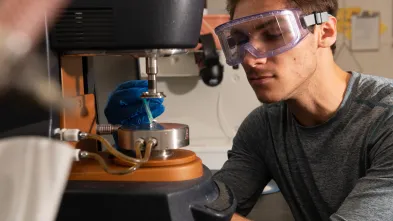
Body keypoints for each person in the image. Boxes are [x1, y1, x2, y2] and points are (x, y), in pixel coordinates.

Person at [104, 0, 393, 220]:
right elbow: (214, 205)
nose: (250, 60)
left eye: (274, 34)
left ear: (325, 32)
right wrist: (143, 156)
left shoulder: (386, 116)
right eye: (239, 41)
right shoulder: (264, 126)